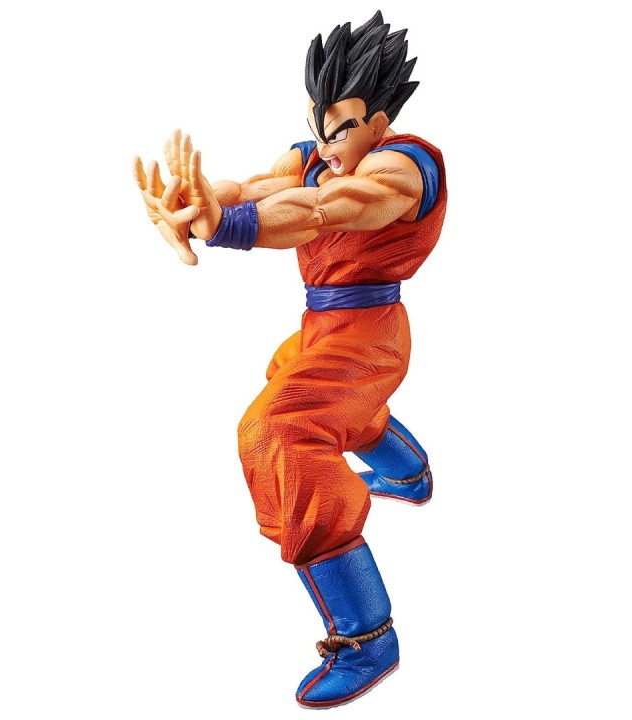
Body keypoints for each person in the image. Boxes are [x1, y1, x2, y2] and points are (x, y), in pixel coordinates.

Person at [133, 11, 446, 708]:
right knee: (296, 383)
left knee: (279, 432)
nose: (325, 144)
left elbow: (320, 211)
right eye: (317, 123)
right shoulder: (315, 157)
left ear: (379, 122)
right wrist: (194, 203)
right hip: (324, 325)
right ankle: (410, 473)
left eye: (341, 130)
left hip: (371, 333)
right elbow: (257, 188)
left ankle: (368, 636)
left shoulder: (398, 170)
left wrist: (228, 227)